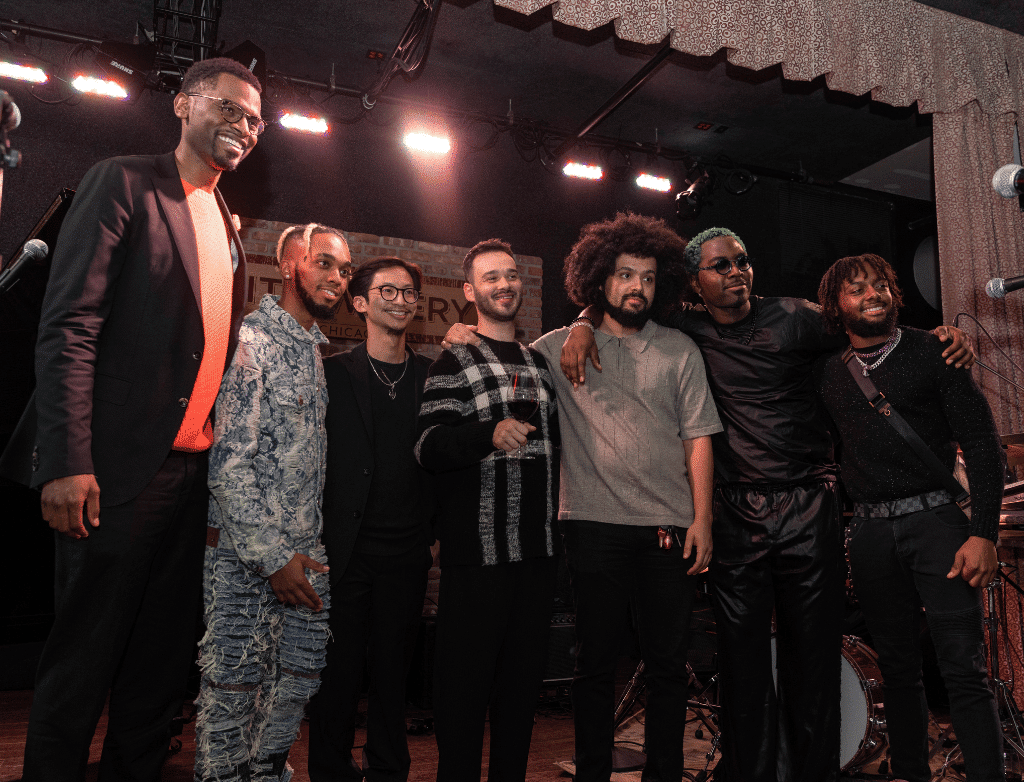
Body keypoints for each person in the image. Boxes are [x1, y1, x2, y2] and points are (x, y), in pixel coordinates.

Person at [559, 226, 974, 782]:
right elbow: (619, 302)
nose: (737, 273)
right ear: (695, 282)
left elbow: (871, 325)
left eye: (743, 262)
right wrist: (583, 324)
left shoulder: (798, 316)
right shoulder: (684, 325)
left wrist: (941, 336)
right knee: (742, 660)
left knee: (814, 656)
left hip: (807, 503)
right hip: (733, 513)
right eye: (721, 266)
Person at [0, 57, 262, 782]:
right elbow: (68, 326)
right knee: (82, 664)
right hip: (110, 473)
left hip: (189, 481)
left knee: (158, 671)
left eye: (254, 118)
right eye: (229, 107)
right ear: (182, 104)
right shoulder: (123, 180)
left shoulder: (226, 222)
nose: (243, 124)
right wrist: (66, 459)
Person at [443, 215, 722, 781]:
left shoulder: (680, 350)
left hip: (668, 529)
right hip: (590, 527)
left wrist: (703, 520)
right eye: (624, 276)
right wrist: (460, 335)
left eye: (646, 277)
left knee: (668, 666)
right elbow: (497, 351)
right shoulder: (549, 350)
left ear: (661, 283)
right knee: (593, 666)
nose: (636, 287)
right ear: (600, 281)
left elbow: (698, 439)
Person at [817, 253, 1004, 782]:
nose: (872, 294)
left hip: (939, 526)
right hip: (871, 533)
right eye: (857, 289)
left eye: (881, 285)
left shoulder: (933, 350)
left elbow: (984, 448)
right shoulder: (828, 374)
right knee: (898, 672)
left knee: (964, 672)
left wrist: (982, 535)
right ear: (836, 305)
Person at [194, 223, 351, 782]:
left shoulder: (313, 353)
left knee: (289, 704)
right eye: (325, 263)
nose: (337, 278)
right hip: (248, 563)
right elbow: (229, 465)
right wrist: (272, 558)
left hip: (304, 562)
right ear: (291, 266)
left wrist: (298, 556)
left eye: (343, 269)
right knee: (231, 706)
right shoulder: (250, 343)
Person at [416, 240, 561, 782]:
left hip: (538, 553)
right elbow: (427, 445)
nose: (505, 285)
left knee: (520, 698)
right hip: (477, 555)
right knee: (463, 697)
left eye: (511, 275)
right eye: (491, 277)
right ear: (470, 290)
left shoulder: (539, 363)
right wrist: (485, 434)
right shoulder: (453, 359)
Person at [307, 257, 436, 782]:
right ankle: (330, 771)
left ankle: (387, 770)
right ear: (359, 303)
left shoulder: (433, 375)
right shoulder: (332, 372)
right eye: (389, 291)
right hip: (345, 550)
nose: (401, 300)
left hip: (407, 553)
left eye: (409, 293)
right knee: (336, 676)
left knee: (392, 675)